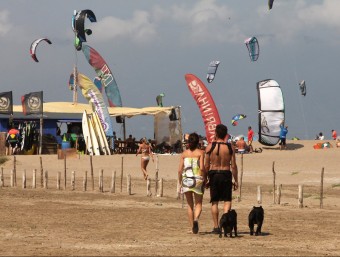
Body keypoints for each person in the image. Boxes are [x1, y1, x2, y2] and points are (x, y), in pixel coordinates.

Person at [204, 124, 238, 234]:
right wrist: (236, 180)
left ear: (216, 133)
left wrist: (206, 178)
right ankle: (227, 223)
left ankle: (216, 226)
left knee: (214, 201)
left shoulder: (210, 146)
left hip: (214, 174)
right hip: (226, 173)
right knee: (227, 200)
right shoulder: (230, 147)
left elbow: (206, 165)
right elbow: (233, 165)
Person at [178, 132, 206, 234]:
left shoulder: (184, 154)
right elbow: (202, 167)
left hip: (186, 179)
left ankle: (192, 228)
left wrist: (180, 181)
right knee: (198, 203)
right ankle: (196, 219)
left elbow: (179, 170)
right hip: (197, 179)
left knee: (189, 204)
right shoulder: (201, 153)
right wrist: (204, 178)